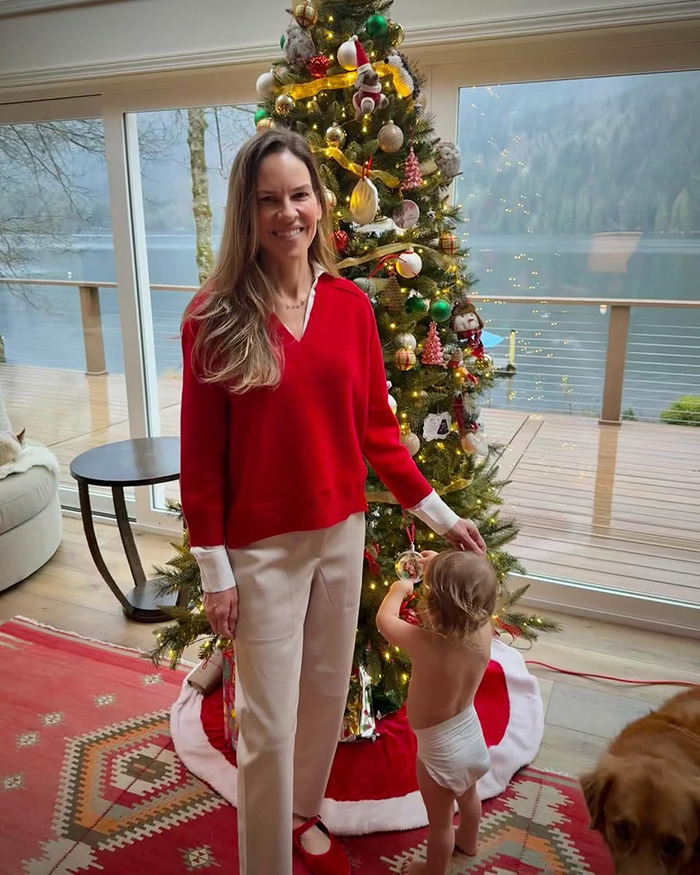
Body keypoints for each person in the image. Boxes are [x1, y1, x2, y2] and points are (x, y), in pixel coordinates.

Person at [179, 127, 486, 875]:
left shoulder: (350, 307)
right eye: (268, 200)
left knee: (323, 691)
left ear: (319, 201)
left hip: (341, 534)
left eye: (299, 195)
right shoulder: (214, 317)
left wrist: (445, 517)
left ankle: (303, 811)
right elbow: (201, 462)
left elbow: (378, 432)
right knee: (266, 724)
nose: (287, 213)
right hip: (260, 550)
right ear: (247, 212)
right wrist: (216, 571)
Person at [376, 549, 496, 875]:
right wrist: (439, 567)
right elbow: (468, 585)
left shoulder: (424, 641)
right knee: (469, 797)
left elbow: (385, 622)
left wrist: (397, 590)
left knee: (441, 824)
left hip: (438, 752)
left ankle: (432, 871)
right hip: (470, 735)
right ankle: (468, 842)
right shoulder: (483, 631)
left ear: (433, 606)